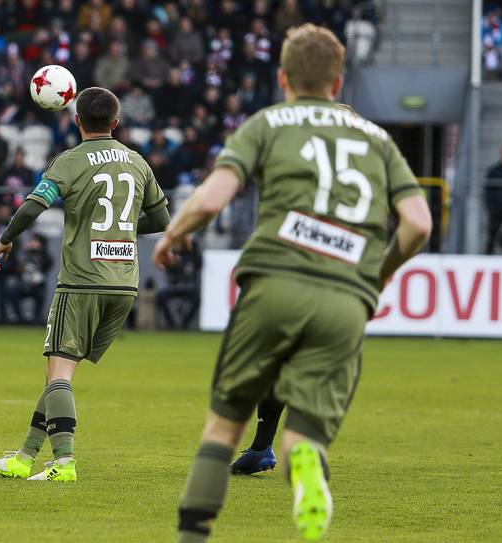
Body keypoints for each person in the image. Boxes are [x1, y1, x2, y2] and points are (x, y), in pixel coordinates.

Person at [152, 24, 432, 542]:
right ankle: (302, 458)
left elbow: (210, 199)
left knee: (221, 429)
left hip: (275, 282)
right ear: (338, 81)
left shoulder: (269, 123)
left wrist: (173, 234)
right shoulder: (378, 140)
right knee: (306, 431)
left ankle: (194, 533)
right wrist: (380, 273)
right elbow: (418, 224)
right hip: (346, 297)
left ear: (282, 78)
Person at [0, 87, 171, 482]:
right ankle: (24, 457)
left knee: (58, 372)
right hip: (124, 286)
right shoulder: (137, 162)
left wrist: (5, 239)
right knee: (60, 372)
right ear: (115, 122)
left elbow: (34, 204)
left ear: (76, 121)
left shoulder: (70, 160)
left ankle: (64, 462)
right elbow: (161, 221)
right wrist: (124, 229)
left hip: (82, 282)